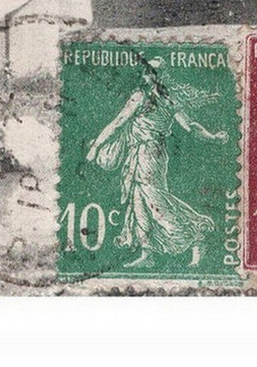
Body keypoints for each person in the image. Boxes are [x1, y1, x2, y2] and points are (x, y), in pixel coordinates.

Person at [85, 56, 227, 268]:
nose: (145, 74)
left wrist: (96, 147)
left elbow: (118, 122)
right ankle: (147, 252)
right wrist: (212, 137)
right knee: (139, 201)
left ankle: (198, 234)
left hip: (148, 153)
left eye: (149, 71)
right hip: (148, 152)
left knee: (154, 200)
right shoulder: (169, 98)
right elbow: (191, 127)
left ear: (153, 75)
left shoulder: (142, 97)